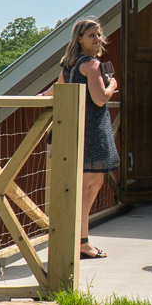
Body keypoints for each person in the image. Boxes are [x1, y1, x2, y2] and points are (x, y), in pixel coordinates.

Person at [50, 17, 120, 259]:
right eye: (92, 35)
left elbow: (57, 90)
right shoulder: (91, 64)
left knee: (84, 187)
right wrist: (112, 84)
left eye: (99, 34)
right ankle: (82, 241)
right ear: (79, 38)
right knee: (89, 188)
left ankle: (77, 239)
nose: (97, 39)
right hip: (92, 129)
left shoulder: (68, 64)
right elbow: (100, 98)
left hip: (74, 128)